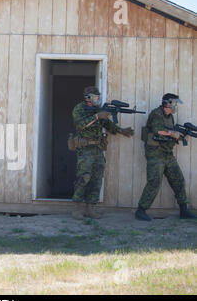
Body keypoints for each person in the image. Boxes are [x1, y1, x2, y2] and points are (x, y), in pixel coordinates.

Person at [71, 86, 134, 220]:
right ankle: (76, 208)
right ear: (88, 98)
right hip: (85, 149)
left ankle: (90, 208)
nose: (97, 100)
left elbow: (107, 125)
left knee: (96, 179)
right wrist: (96, 116)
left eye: (98, 97)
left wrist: (121, 130)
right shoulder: (79, 109)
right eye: (95, 97)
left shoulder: (99, 110)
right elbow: (80, 124)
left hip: (98, 149)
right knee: (83, 178)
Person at [136, 93, 196, 221]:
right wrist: (173, 133)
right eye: (174, 103)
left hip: (167, 153)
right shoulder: (156, 113)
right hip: (155, 153)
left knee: (178, 179)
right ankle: (141, 210)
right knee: (154, 182)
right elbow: (158, 130)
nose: (175, 106)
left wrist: (179, 135)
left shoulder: (170, 117)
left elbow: (170, 132)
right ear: (167, 103)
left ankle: (184, 210)